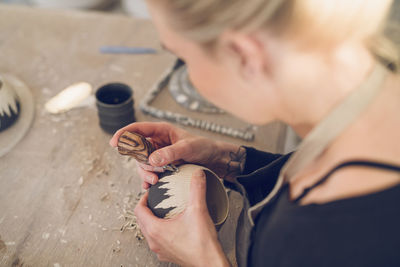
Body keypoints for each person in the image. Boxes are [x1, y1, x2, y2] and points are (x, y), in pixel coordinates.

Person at [109, 0, 400, 266]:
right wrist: (232, 161)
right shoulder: (381, 92)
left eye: (185, 58)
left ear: (244, 55)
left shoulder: (303, 242)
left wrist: (204, 259)